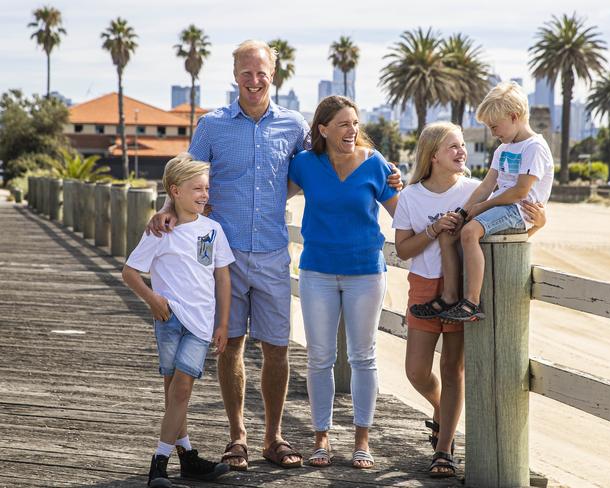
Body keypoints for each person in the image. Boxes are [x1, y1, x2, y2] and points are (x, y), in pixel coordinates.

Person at [147, 40, 402, 471]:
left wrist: (386, 169)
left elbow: (332, 151)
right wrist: (168, 208)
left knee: (278, 348)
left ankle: (273, 436)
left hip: (271, 252)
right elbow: (186, 175)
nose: (253, 80)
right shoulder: (212, 125)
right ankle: (237, 437)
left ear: (274, 75)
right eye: (246, 72)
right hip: (222, 256)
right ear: (234, 75)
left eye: (261, 72)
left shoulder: (294, 125)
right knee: (229, 345)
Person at [395, 122, 547, 478]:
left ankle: (444, 448)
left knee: (452, 369)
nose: (462, 152)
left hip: (463, 289)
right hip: (423, 284)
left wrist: (539, 222)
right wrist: (434, 230)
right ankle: (440, 408)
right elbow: (403, 250)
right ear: (433, 155)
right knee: (416, 371)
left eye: (462, 145)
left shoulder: (475, 191)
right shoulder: (411, 196)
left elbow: (513, 218)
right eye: (453, 147)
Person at [287, 95, 400, 469]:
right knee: (320, 357)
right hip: (317, 270)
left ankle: (362, 441)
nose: (352, 131)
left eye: (354, 123)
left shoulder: (375, 164)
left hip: (366, 272)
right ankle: (321, 438)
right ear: (323, 129)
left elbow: (405, 211)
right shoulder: (304, 164)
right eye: (342, 124)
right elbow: (269, 195)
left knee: (362, 356)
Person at [122, 154, 234, 487]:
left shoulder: (212, 230)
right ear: (175, 190)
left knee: (181, 391)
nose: (204, 194)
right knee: (175, 393)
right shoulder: (161, 230)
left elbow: (223, 278)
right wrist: (153, 299)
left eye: (207, 188)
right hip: (168, 320)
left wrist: (223, 324)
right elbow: (129, 273)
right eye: (197, 188)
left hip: (201, 324)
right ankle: (186, 458)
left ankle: (158, 463)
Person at [411, 81, 554, 323]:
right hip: (501, 206)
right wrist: (463, 213)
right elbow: (487, 186)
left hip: (519, 211)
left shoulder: (534, 147)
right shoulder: (503, 150)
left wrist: (481, 208)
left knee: (469, 233)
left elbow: (520, 191)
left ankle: (470, 302)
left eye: (495, 126)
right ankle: (449, 296)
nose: (493, 133)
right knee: (449, 234)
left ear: (514, 116)